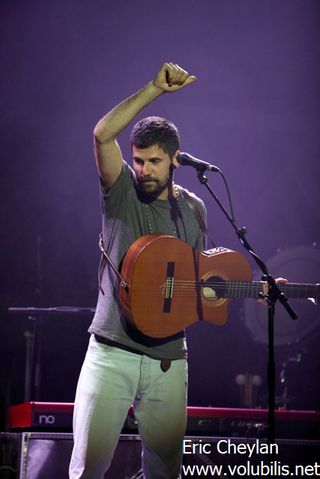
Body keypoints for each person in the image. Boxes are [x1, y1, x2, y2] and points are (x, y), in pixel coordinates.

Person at [69, 63, 207, 479]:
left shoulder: (193, 209)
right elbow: (101, 134)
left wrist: (244, 289)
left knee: (165, 472)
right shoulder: (122, 190)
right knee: (88, 469)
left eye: (154, 162)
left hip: (169, 361)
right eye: (138, 160)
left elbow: (197, 279)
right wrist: (154, 89)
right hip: (111, 355)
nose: (143, 169)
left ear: (175, 161)